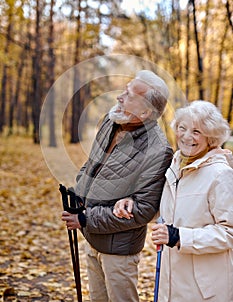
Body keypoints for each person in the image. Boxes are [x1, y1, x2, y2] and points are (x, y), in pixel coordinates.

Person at [61, 69, 173, 302]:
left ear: (145, 111)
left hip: (119, 250)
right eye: (124, 90)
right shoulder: (110, 121)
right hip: (91, 237)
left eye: (130, 95)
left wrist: (85, 219)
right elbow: (92, 164)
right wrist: (79, 193)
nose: (120, 97)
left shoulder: (158, 150)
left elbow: (143, 210)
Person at [114, 100, 233, 302]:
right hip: (170, 281)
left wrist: (179, 237)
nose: (187, 137)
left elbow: (229, 232)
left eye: (197, 131)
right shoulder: (175, 166)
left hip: (204, 289)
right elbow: (170, 209)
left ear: (211, 137)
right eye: (182, 128)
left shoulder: (221, 175)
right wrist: (133, 202)